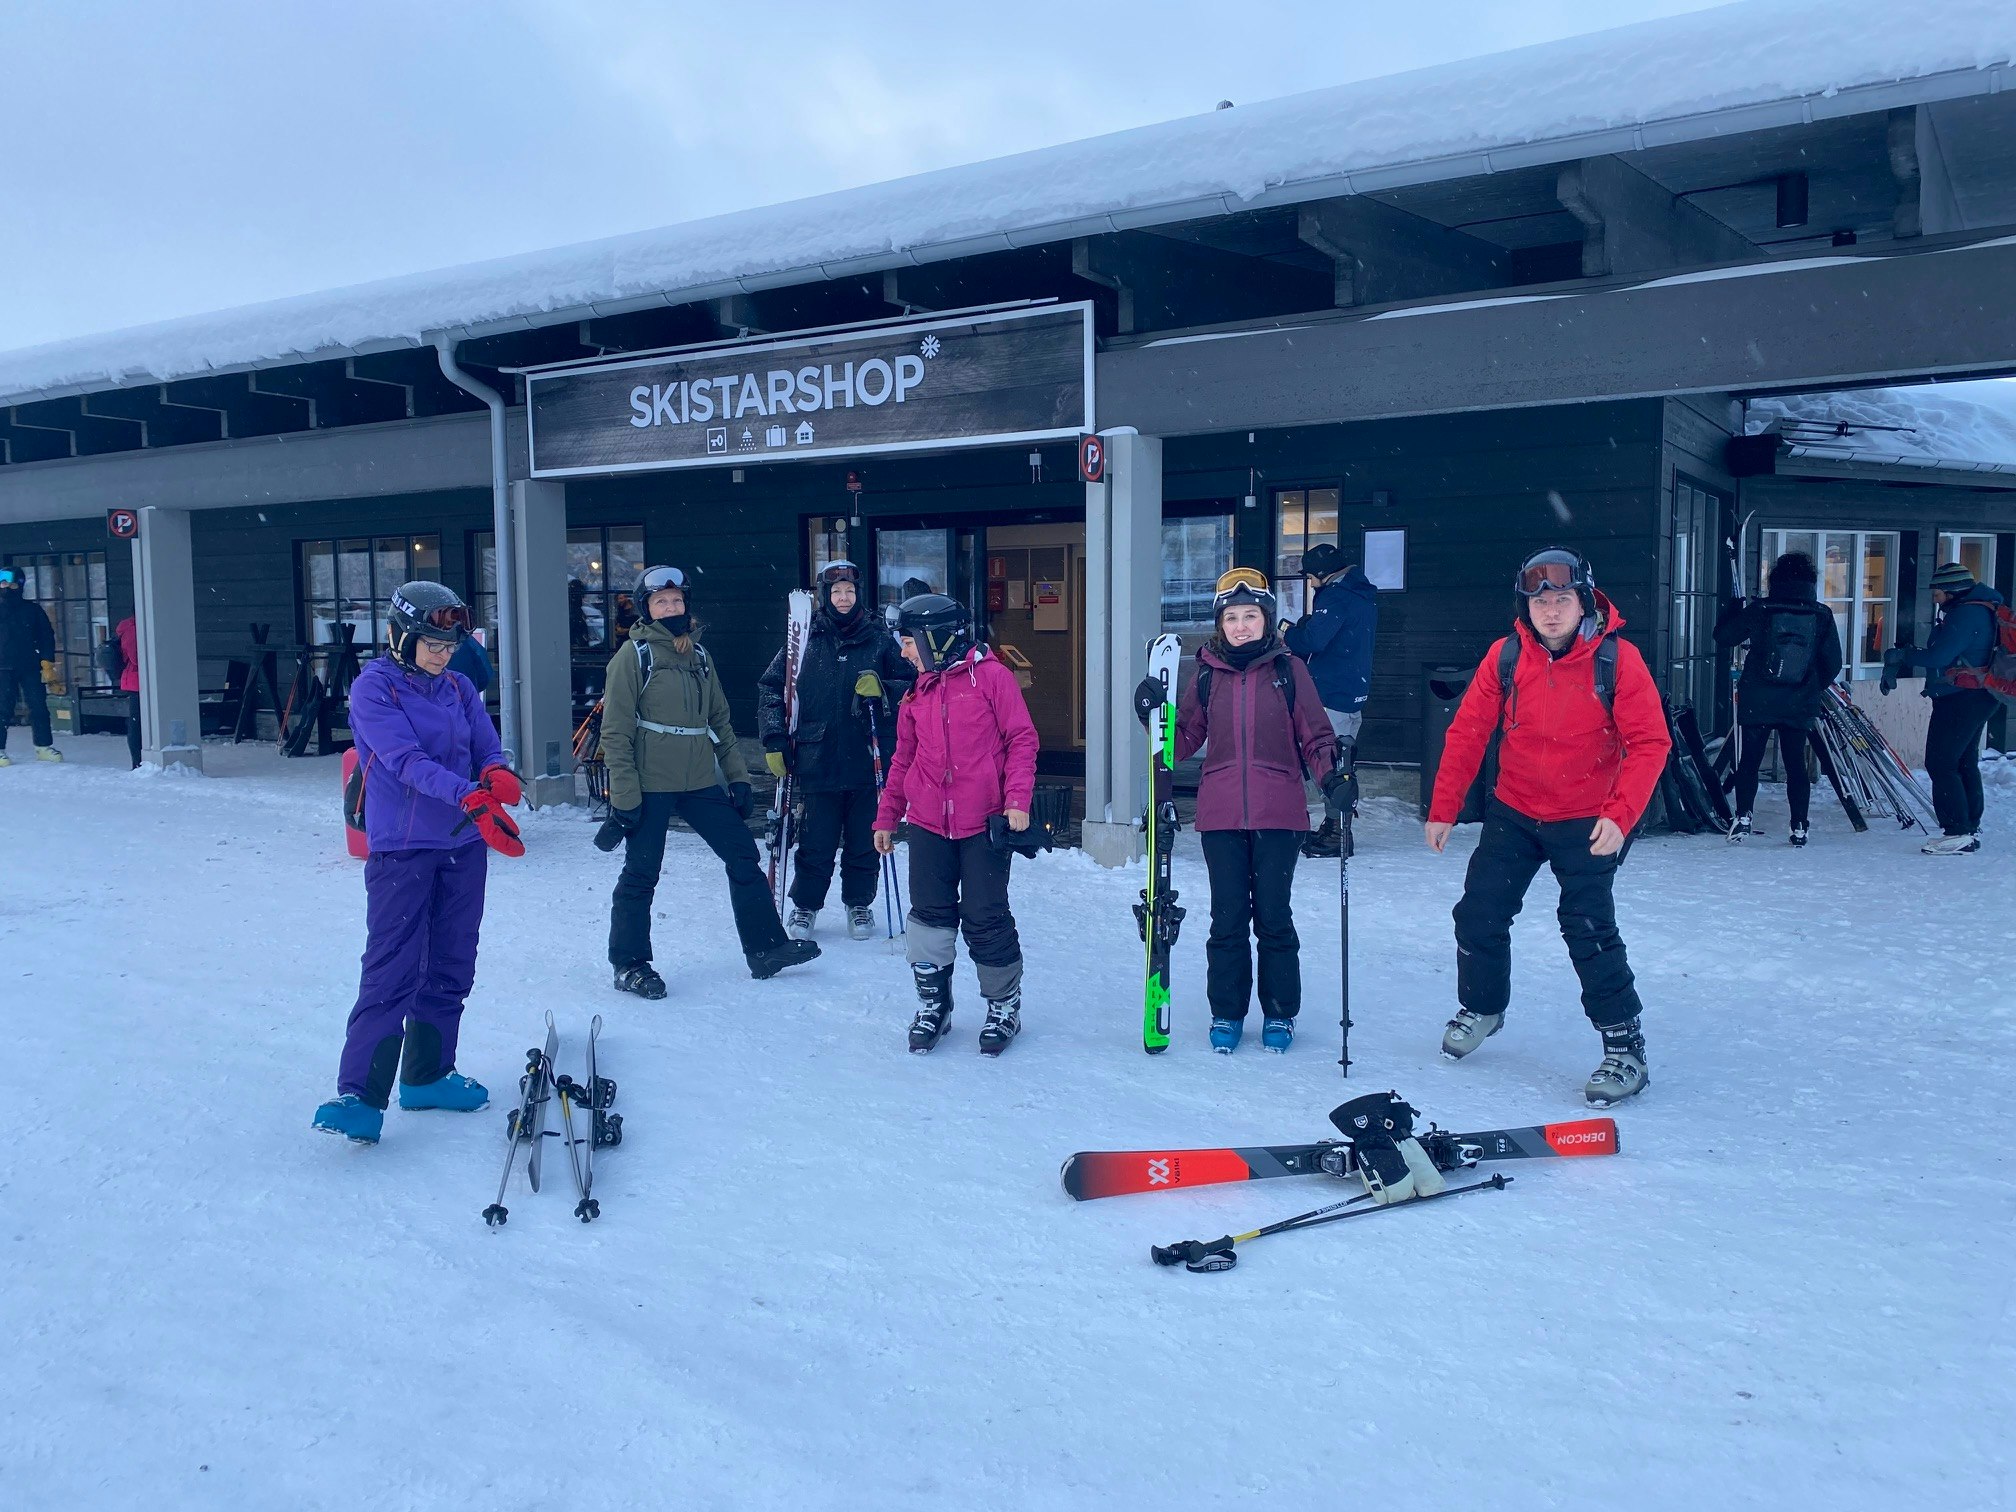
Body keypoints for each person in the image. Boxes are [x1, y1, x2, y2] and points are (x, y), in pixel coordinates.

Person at [1425, 547, 1671, 1107]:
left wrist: (1621, 813)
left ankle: (1624, 1047)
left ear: (1582, 600)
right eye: (1540, 602)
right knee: (1479, 910)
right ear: (1526, 607)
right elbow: (1467, 733)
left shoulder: (1618, 659)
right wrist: (1444, 807)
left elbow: (1650, 744)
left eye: (1562, 599)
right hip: (1515, 810)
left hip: (1590, 816)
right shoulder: (1506, 657)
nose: (1551, 611)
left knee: (1585, 924)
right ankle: (1484, 1005)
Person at [312, 582, 523, 1145]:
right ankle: (359, 1095)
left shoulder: (458, 687)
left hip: (463, 842)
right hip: (403, 847)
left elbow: (486, 745)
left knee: (453, 959)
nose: (440, 654)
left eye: (449, 645)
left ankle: (428, 1075)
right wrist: (469, 795)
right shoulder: (373, 688)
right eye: (430, 643)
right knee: (392, 967)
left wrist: (497, 773)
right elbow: (404, 760)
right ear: (400, 635)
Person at [1134, 568, 1345, 1054]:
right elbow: (1180, 743)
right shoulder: (1207, 674)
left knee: (1273, 916)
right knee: (1227, 919)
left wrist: (1333, 776)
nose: (1243, 625)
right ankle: (1227, 1011)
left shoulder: (1290, 671)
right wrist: (1149, 714)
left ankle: (1279, 1013)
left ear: (1267, 620)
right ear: (1221, 623)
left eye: (1251, 616)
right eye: (1233, 617)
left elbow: (1316, 735)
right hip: (1221, 815)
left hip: (1280, 814)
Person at [602, 565, 817, 998]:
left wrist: (737, 778)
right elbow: (616, 731)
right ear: (647, 609)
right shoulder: (633, 657)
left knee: (742, 857)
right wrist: (625, 795)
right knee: (641, 873)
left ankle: (766, 949)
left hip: (699, 780)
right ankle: (630, 964)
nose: (671, 607)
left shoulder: (699, 656)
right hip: (650, 782)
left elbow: (719, 720)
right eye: (662, 602)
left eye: (677, 600)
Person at [874, 593, 1039, 1056]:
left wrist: (1016, 800)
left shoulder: (991, 679)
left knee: (985, 916)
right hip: (928, 822)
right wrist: (887, 815)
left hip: (984, 821)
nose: (904, 652)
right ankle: (934, 1004)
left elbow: (1022, 740)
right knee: (929, 916)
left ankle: (1004, 1006)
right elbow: (904, 758)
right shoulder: (917, 691)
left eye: (909, 642)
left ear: (935, 639)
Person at [758, 560, 914, 941]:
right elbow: (770, 688)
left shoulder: (879, 638)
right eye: (836, 592)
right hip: (816, 756)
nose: (844, 598)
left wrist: (884, 687)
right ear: (825, 596)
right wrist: (775, 738)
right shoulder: (804, 638)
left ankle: (859, 903)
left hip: (868, 756)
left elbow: (913, 684)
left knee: (865, 839)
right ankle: (805, 906)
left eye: (850, 591)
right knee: (816, 841)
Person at [1713, 551, 1843, 845]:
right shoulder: (1821, 614)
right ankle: (1799, 825)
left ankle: (1744, 817)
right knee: (1795, 763)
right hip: (1798, 700)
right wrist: (1810, 685)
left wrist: (1733, 608)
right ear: (1810, 580)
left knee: (1749, 760)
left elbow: (1723, 637)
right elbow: (1833, 662)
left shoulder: (1762, 609)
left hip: (1758, 697)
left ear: (1775, 579)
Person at [1882, 561, 2005, 855]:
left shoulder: (1967, 614)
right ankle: (1968, 825)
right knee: (1963, 761)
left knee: (1941, 762)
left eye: (1936, 590)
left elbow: (1939, 657)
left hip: (1962, 697)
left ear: (1953, 590)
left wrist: (1902, 655)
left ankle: (1957, 832)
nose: (1933, 595)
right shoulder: (1981, 608)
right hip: (1979, 694)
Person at [1285, 543, 1378, 858]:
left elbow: (1314, 640)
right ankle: (1334, 826)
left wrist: (1289, 634)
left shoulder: (1335, 596)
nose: (1310, 583)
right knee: (1343, 760)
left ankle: (1338, 834)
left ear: (1323, 574)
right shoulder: (1362, 595)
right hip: (1354, 691)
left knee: (1330, 764)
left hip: (1330, 693)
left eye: (1311, 577)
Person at [0, 565, 61, 766]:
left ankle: (43, 746)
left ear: (20, 584)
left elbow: (46, 637)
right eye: (2, 582)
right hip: (2, 668)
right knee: (2, 708)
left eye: (9, 582)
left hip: (30, 666)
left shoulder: (32, 610)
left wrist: (47, 662)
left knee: (39, 707)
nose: (5, 586)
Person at [114, 615, 141, 769]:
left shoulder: (131, 627)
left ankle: (138, 761)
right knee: (137, 724)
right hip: (137, 680)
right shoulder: (132, 628)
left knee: (137, 722)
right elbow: (137, 657)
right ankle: (137, 762)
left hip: (134, 679)